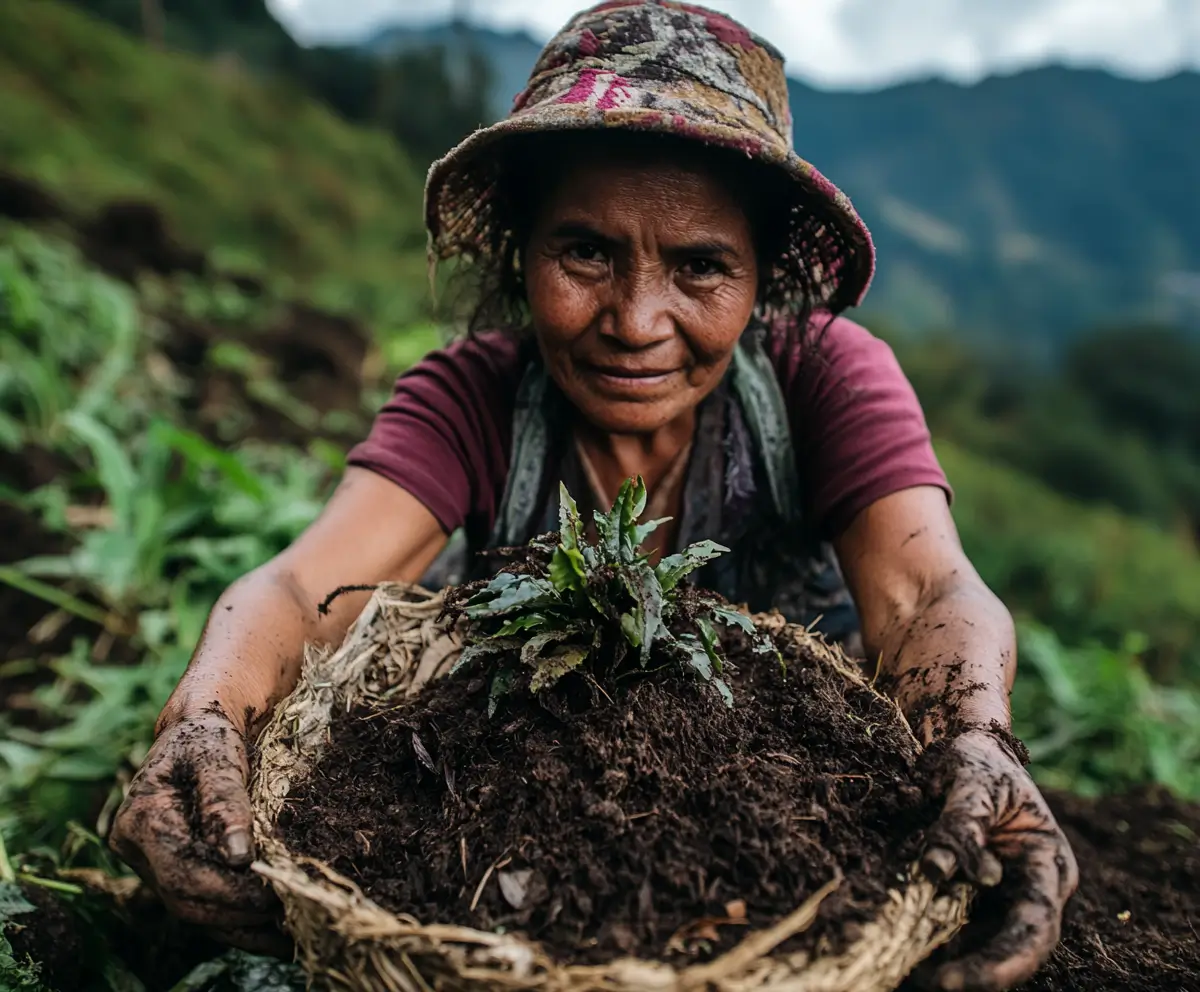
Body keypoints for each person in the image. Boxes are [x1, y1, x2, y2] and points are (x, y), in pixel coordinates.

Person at [109, 3, 1078, 989]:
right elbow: (303, 589)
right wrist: (204, 717)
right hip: (502, 842)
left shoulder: (821, 380)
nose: (635, 320)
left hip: (783, 825)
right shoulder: (475, 398)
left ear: (761, 279)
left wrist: (974, 737)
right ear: (521, 250)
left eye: (701, 267)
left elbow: (923, 593)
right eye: (586, 253)